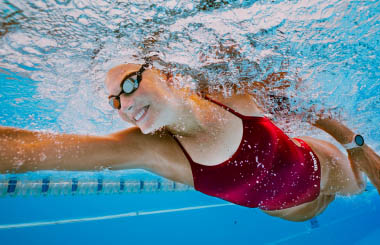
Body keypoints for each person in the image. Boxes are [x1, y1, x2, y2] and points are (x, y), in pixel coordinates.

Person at [0, 62, 379, 222]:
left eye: (130, 84)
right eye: (114, 101)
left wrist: (354, 143)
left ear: (165, 74)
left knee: (360, 186)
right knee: (321, 208)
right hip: (291, 208)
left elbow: (310, 108)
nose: (125, 105)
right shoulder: (151, 150)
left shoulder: (232, 91)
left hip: (324, 163)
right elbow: (30, 150)